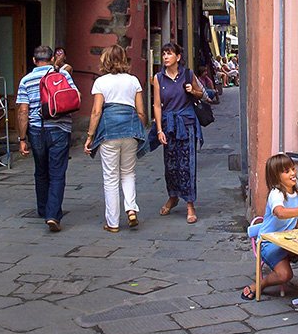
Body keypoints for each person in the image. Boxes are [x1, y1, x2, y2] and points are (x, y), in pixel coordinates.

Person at [84, 45, 147, 232]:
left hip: (109, 131)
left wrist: (90, 136)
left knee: (110, 177)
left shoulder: (101, 82)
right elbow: (141, 111)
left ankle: (112, 223)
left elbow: (96, 112)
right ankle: (131, 208)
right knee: (128, 173)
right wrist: (138, 128)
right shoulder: (133, 80)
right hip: (130, 129)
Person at [16, 45, 77, 232]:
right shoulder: (63, 76)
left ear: (34, 61)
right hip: (60, 129)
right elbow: (76, 97)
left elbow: (22, 111)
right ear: (51, 59)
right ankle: (52, 215)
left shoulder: (26, 80)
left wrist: (22, 138)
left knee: (41, 171)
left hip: (36, 130)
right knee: (57, 172)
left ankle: (43, 209)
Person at [241, 153, 298, 301]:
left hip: (286, 239)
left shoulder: (295, 192)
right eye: (287, 171)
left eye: (293, 169)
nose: (293, 173)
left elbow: (292, 220)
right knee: (285, 275)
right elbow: (280, 213)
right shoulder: (276, 194)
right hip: (269, 242)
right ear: (276, 177)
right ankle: (260, 284)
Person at [153, 42, 203, 224]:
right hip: (169, 126)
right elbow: (157, 105)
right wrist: (159, 129)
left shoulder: (188, 75)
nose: (166, 57)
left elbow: (202, 94)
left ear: (178, 57)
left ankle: (190, 204)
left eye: (169, 53)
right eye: (164, 54)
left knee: (188, 164)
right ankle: (173, 197)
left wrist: (193, 91)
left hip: (187, 124)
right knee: (170, 165)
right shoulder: (158, 78)